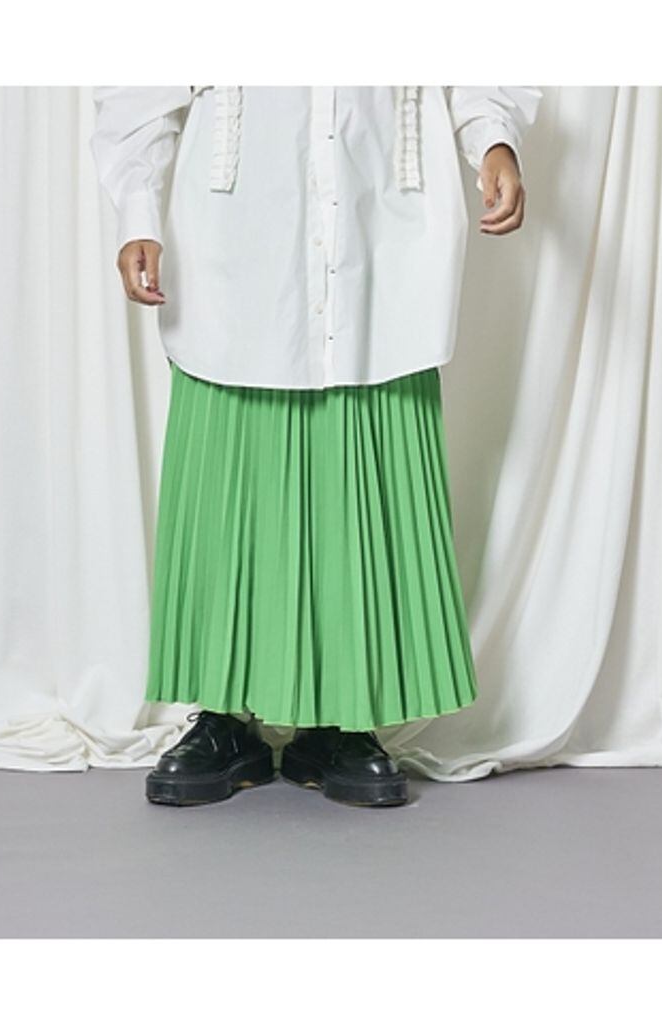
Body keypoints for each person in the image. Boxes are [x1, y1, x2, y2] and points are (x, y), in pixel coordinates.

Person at [89, 85, 541, 808]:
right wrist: (138, 211)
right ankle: (223, 719)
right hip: (240, 225)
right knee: (230, 473)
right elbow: (140, 81)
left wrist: (493, 137)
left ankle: (342, 722)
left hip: (380, 219)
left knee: (364, 465)